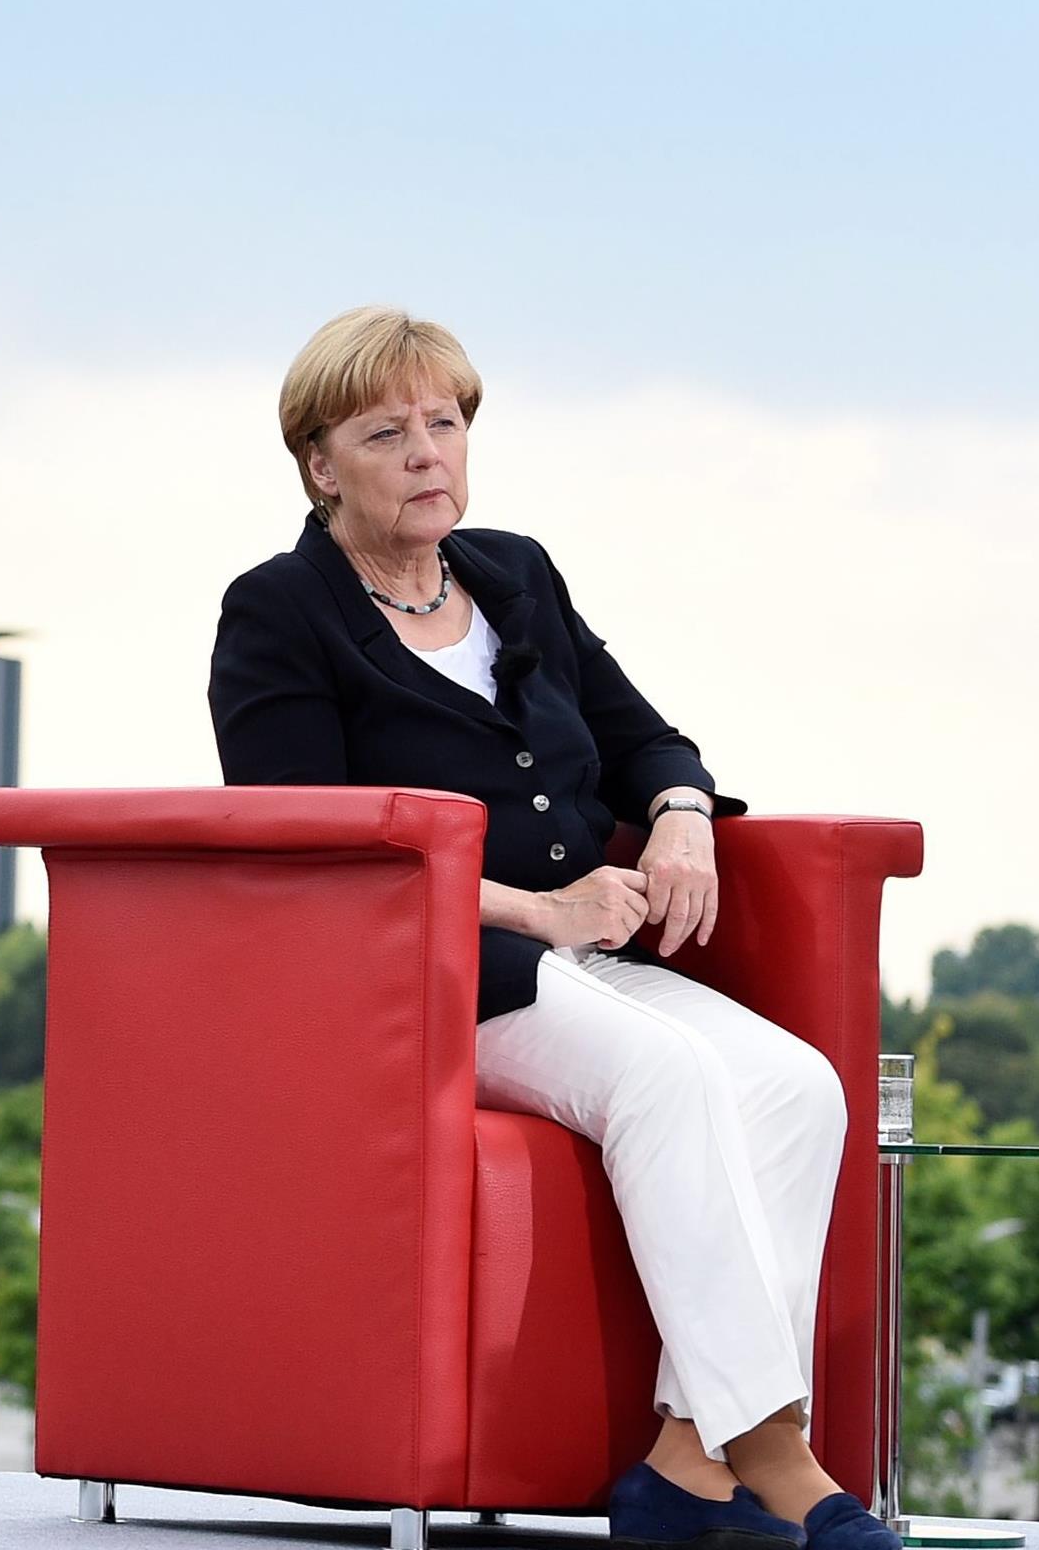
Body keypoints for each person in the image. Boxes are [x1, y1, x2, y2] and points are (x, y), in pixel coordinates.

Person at [208, 308, 886, 1550]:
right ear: (319, 464)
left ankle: (684, 1464)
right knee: (668, 1074)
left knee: (797, 1086)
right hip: (431, 974)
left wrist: (681, 816)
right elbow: (318, 850)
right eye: (385, 432)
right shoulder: (277, 609)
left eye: (444, 422)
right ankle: (775, 1452)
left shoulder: (514, 572)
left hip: (588, 956)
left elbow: (646, 738)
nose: (426, 452)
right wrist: (532, 908)